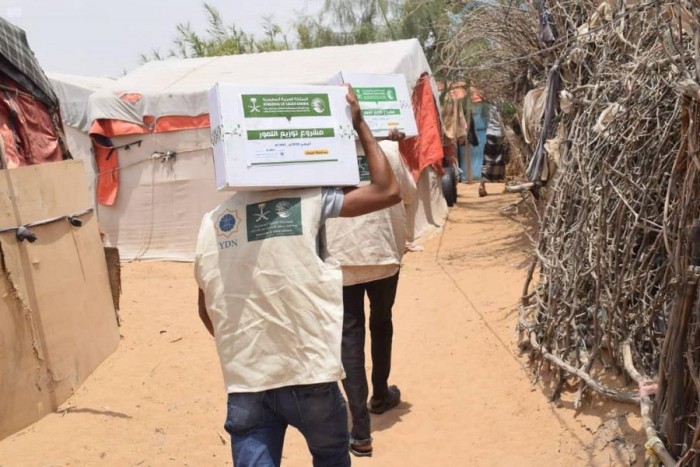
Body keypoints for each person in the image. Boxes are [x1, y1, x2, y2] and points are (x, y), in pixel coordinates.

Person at [194, 86, 401, 467]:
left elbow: (208, 310)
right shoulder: (309, 202)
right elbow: (387, 190)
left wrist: (255, 346)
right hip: (309, 375)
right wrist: (359, 124)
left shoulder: (212, 224)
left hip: (247, 382)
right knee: (330, 456)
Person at [326, 132, 416, 457]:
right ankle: (379, 394)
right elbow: (408, 193)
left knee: (349, 337)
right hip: (383, 252)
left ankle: (360, 431)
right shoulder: (387, 149)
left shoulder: (322, 151)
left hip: (341, 255)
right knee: (381, 323)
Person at [479, 106, 508, 197]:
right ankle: (506, 185)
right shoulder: (502, 103)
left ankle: (482, 184)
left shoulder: (489, 105)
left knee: (488, 159)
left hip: (490, 133)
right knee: (504, 159)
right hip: (500, 134)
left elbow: (483, 116)